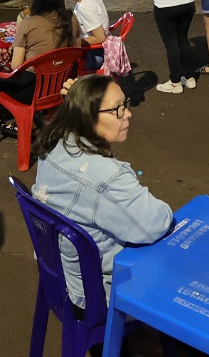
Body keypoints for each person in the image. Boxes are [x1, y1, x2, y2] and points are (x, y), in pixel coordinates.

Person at [32, 76, 173, 309]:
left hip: (59, 273)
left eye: (125, 104)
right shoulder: (105, 177)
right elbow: (156, 223)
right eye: (117, 109)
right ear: (87, 115)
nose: (128, 114)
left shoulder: (55, 142)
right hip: (95, 294)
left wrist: (81, 93)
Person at [67, 0, 111, 72]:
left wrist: (74, 43)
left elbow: (100, 37)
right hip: (99, 50)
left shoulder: (84, 7)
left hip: (93, 55)